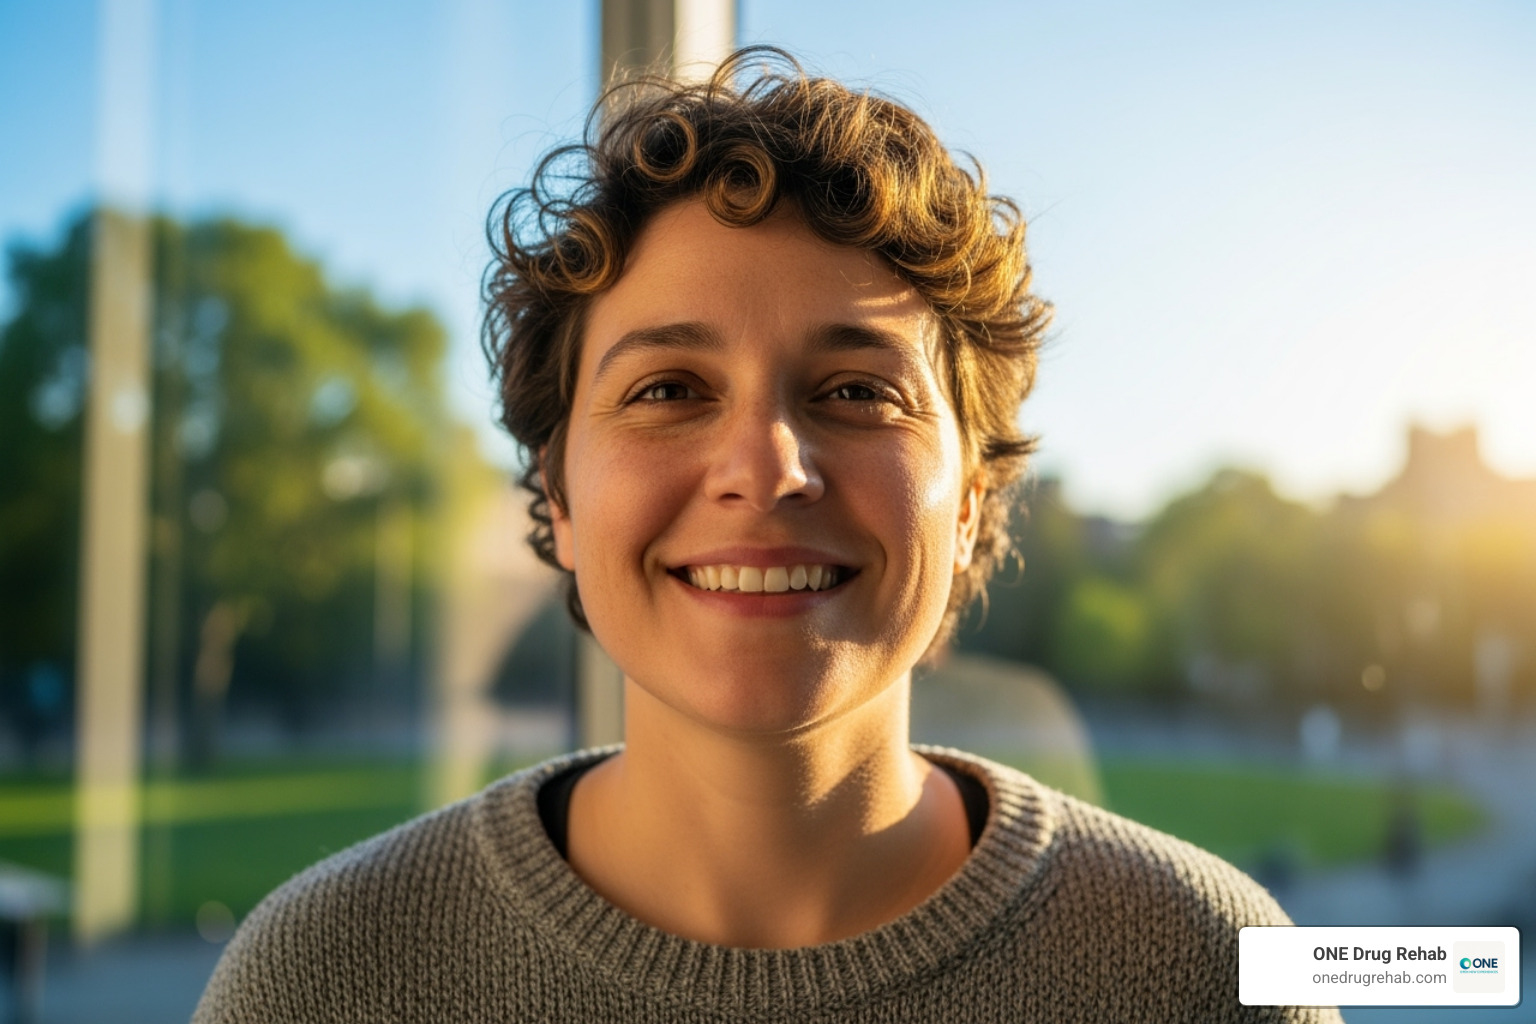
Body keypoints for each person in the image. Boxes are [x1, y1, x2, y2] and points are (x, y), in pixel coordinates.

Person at [194, 48, 1340, 1023]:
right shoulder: (320, 981)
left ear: (974, 499)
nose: (765, 469)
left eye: (855, 391)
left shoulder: (1214, 971)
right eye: (668, 390)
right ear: (559, 493)